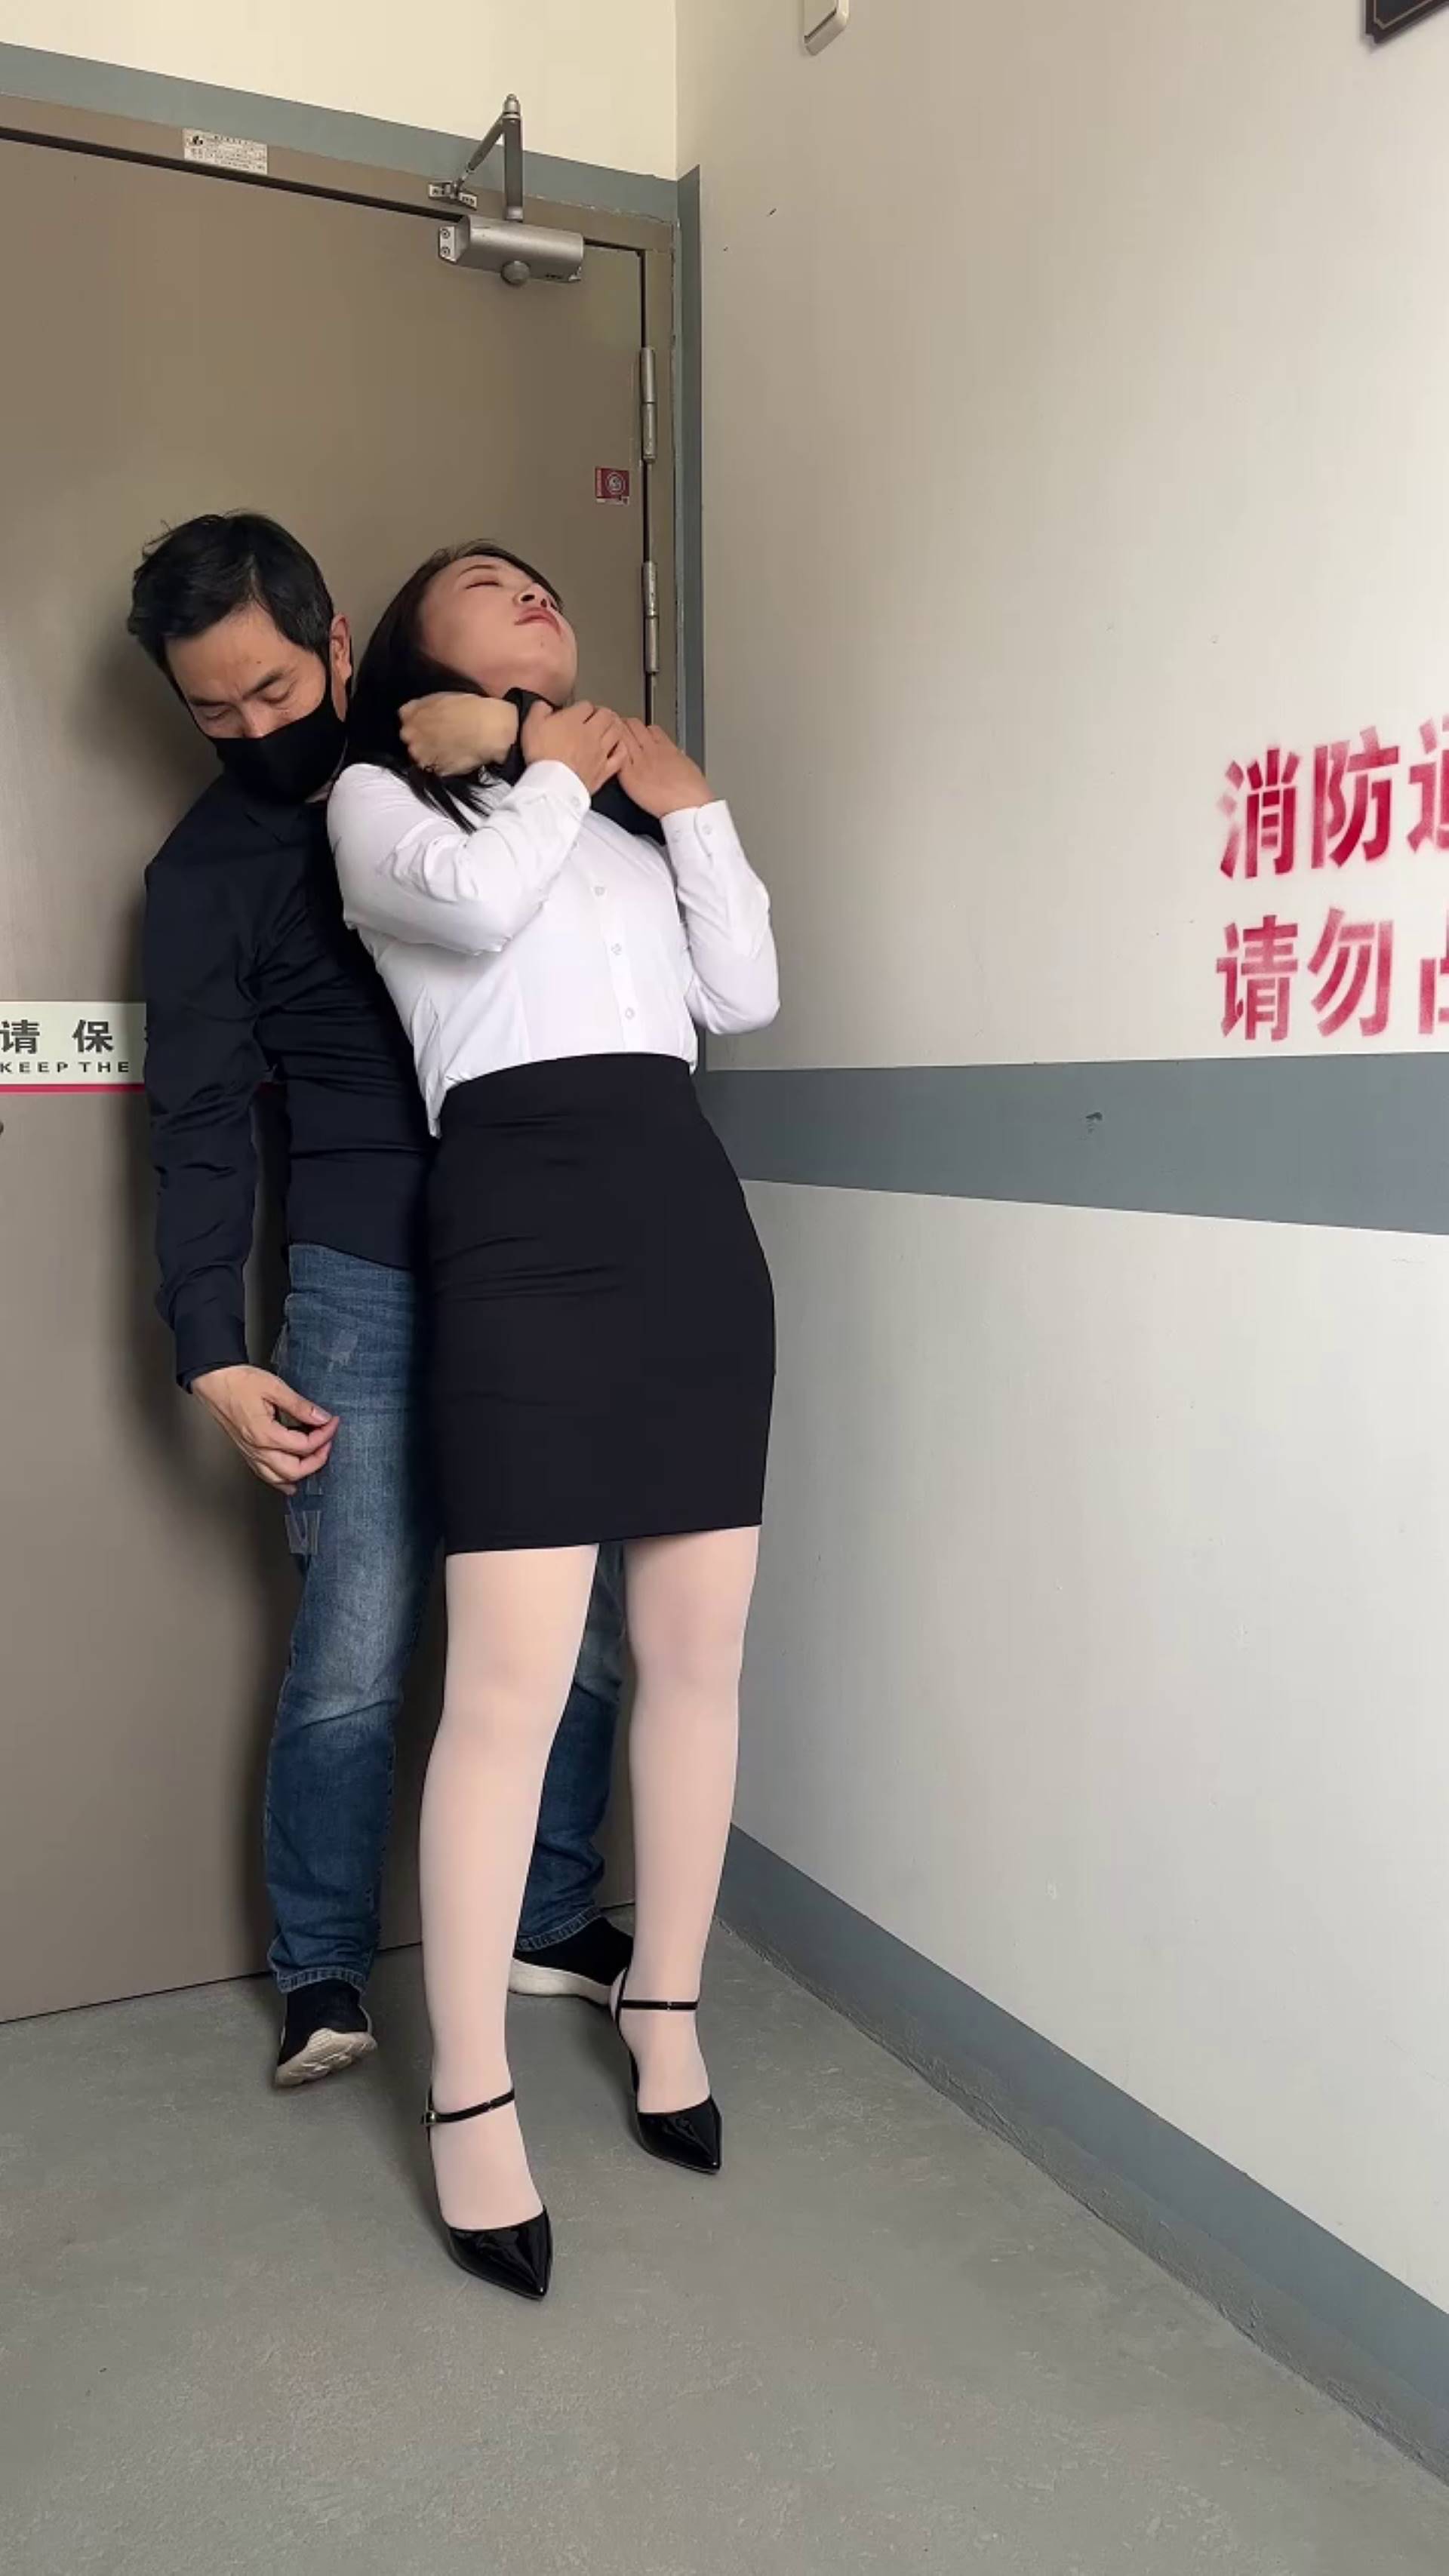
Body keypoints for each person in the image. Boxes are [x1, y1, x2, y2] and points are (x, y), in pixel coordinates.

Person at [128, 512, 632, 2089]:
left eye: (277, 690)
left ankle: (555, 1913)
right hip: (363, 1274)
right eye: (213, 709)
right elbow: (197, 1121)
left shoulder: (452, 768)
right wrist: (208, 1347)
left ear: (339, 641)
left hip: (543, 1250)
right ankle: (325, 1970)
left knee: (582, 1624)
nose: (252, 728)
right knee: (354, 1646)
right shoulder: (203, 872)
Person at [329, 541, 779, 2299]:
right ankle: (471, 2088)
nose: (530, 589)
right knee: (507, 1687)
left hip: (684, 1222)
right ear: (416, 651)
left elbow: (741, 995)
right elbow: (473, 915)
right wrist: (546, 760)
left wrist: (689, 799)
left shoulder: (627, 821)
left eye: (539, 581)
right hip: (514, 1223)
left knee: (697, 1656)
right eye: (486, 580)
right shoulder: (382, 805)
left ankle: (666, 2005)